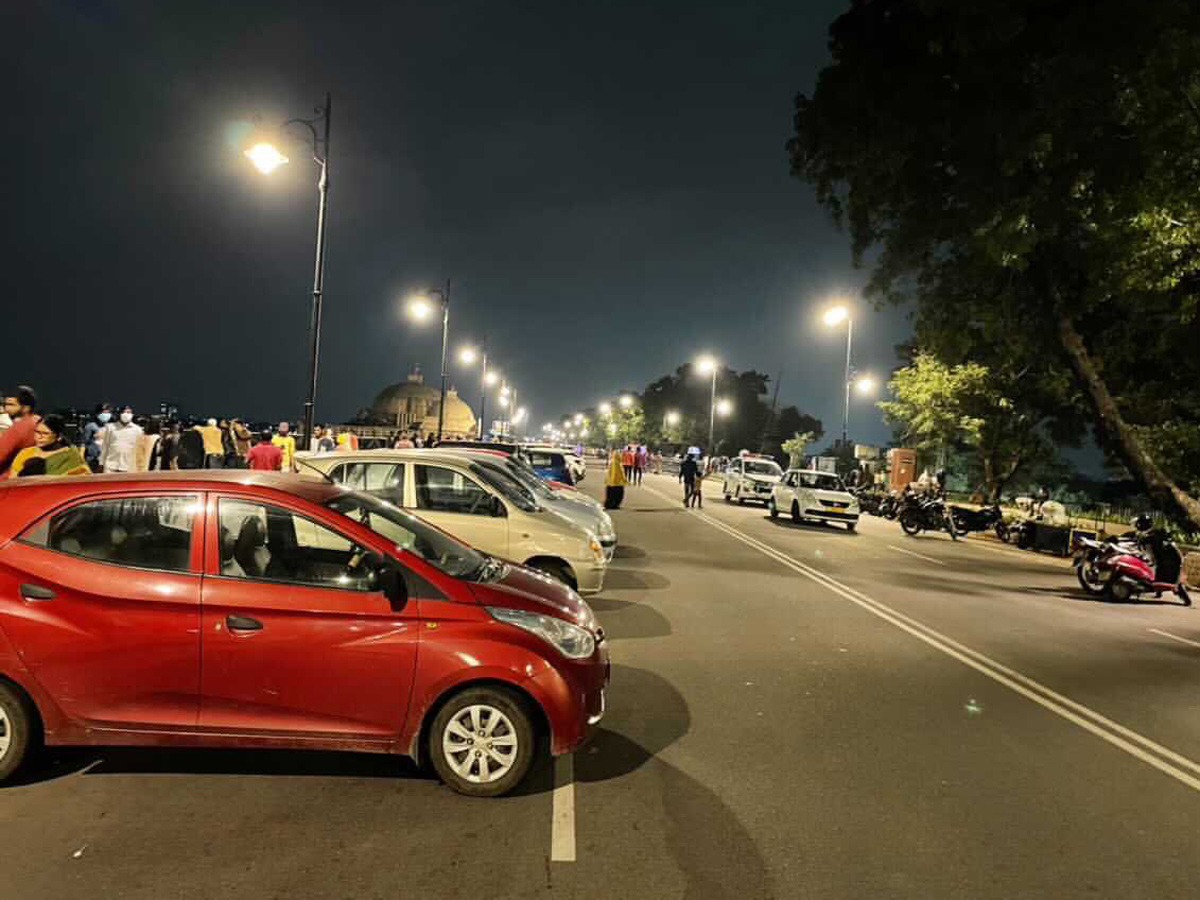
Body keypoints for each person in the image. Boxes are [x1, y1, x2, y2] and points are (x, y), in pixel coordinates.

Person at [10, 414, 90, 478]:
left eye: (45, 433)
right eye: (37, 432)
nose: (39, 437)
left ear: (59, 437)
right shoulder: (26, 453)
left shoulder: (71, 456)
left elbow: (82, 482)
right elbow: (13, 481)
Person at [0, 386, 41, 479]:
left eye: (11, 405)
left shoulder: (18, 428)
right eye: (5, 405)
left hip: (7, 481)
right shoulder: (39, 422)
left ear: (26, 408)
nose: (6, 409)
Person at [99, 406, 143, 473]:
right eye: (123, 412)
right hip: (111, 465)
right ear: (119, 414)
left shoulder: (138, 430)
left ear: (132, 415)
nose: (126, 414)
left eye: (128, 412)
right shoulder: (110, 427)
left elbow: (139, 449)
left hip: (128, 466)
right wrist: (101, 463)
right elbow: (105, 446)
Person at [80, 403, 111, 473]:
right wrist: (81, 456)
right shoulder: (90, 426)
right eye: (103, 412)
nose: (106, 414)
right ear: (98, 413)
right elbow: (83, 442)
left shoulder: (110, 427)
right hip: (93, 459)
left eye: (108, 412)